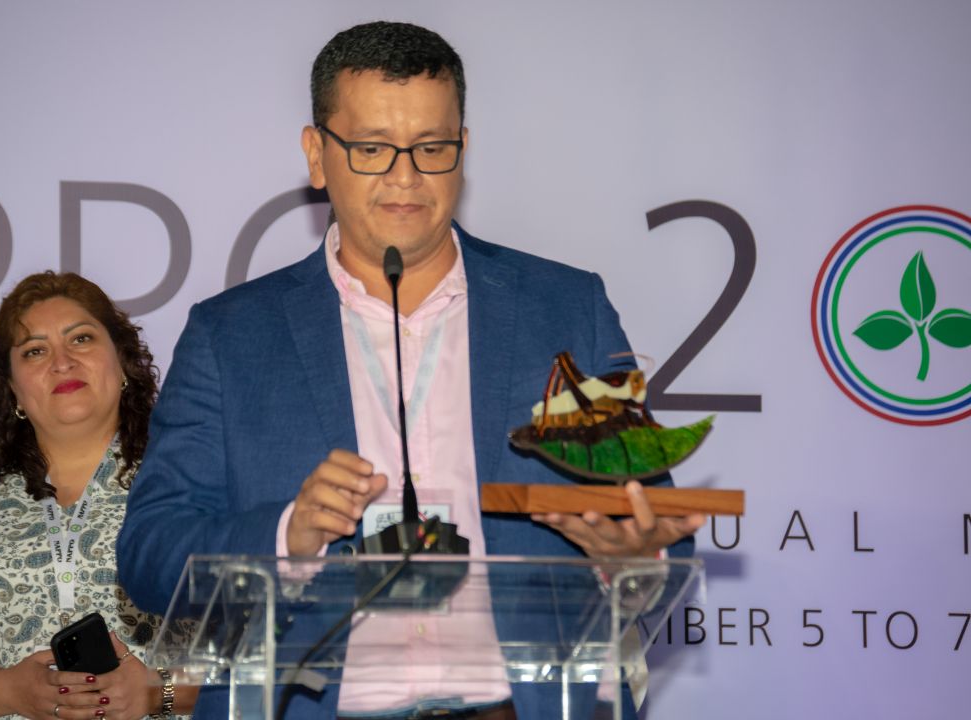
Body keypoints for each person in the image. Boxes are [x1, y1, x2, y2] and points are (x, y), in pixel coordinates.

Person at [117, 21, 704, 720]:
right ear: (317, 155)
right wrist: (288, 534)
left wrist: (632, 557)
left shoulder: (564, 309)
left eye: (432, 148)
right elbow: (150, 554)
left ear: (463, 150)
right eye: (371, 149)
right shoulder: (231, 335)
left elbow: (654, 521)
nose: (406, 176)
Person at [0, 272, 195, 720]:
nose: (62, 362)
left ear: (123, 363)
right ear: (13, 389)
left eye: (81, 339)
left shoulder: (190, 481)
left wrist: (155, 691)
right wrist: (10, 691)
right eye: (35, 350)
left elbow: (262, 661)